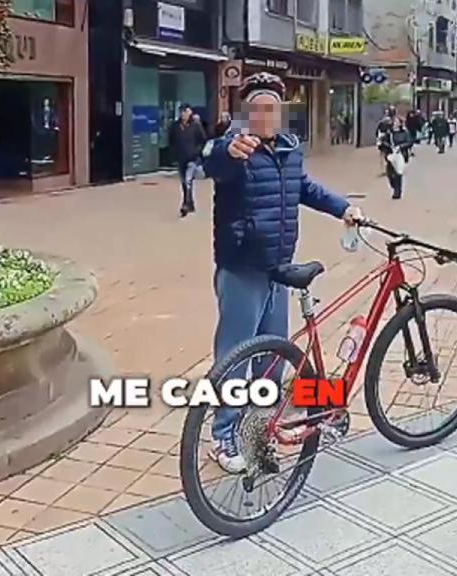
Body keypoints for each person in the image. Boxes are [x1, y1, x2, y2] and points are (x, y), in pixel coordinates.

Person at [201, 72, 363, 473]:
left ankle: (258, 430)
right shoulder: (235, 148)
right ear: (245, 113)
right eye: (256, 108)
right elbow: (213, 162)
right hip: (241, 270)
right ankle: (223, 438)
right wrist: (228, 151)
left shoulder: (290, 150)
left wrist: (345, 208)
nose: (264, 115)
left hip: (278, 270)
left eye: (271, 108)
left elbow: (306, 189)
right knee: (235, 357)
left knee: (273, 356)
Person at [168, 104, 207, 217]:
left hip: (192, 158)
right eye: (182, 112)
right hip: (180, 158)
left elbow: (203, 140)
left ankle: (185, 204)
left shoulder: (196, 125)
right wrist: (174, 153)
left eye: (186, 111)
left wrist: (197, 152)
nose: (184, 114)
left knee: (188, 180)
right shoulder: (175, 126)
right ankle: (190, 203)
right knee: (184, 182)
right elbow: (171, 140)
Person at [378, 116, 413, 200]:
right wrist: (384, 145)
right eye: (394, 122)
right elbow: (384, 142)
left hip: (400, 154)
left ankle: (397, 191)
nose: (395, 124)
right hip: (390, 155)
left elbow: (409, 142)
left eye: (397, 122)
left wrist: (400, 147)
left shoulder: (404, 132)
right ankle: (394, 185)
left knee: (398, 172)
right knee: (390, 173)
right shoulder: (389, 133)